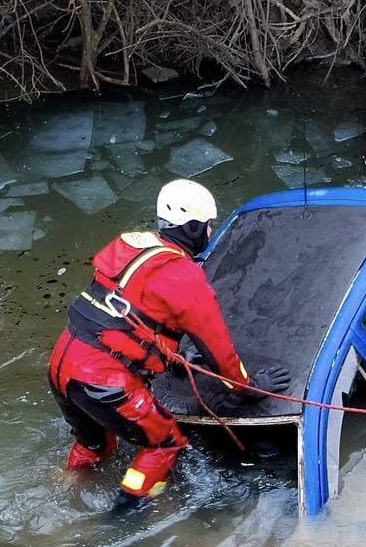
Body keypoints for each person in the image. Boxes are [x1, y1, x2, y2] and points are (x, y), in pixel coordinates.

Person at [49, 178, 289, 513]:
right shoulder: (185, 278)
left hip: (63, 365)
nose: (209, 233)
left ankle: (68, 484)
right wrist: (249, 387)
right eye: (207, 226)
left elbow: (127, 316)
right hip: (102, 382)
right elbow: (221, 356)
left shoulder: (132, 249)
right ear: (192, 228)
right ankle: (123, 516)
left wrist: (172, 357)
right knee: (166, 443)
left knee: (95, 445)